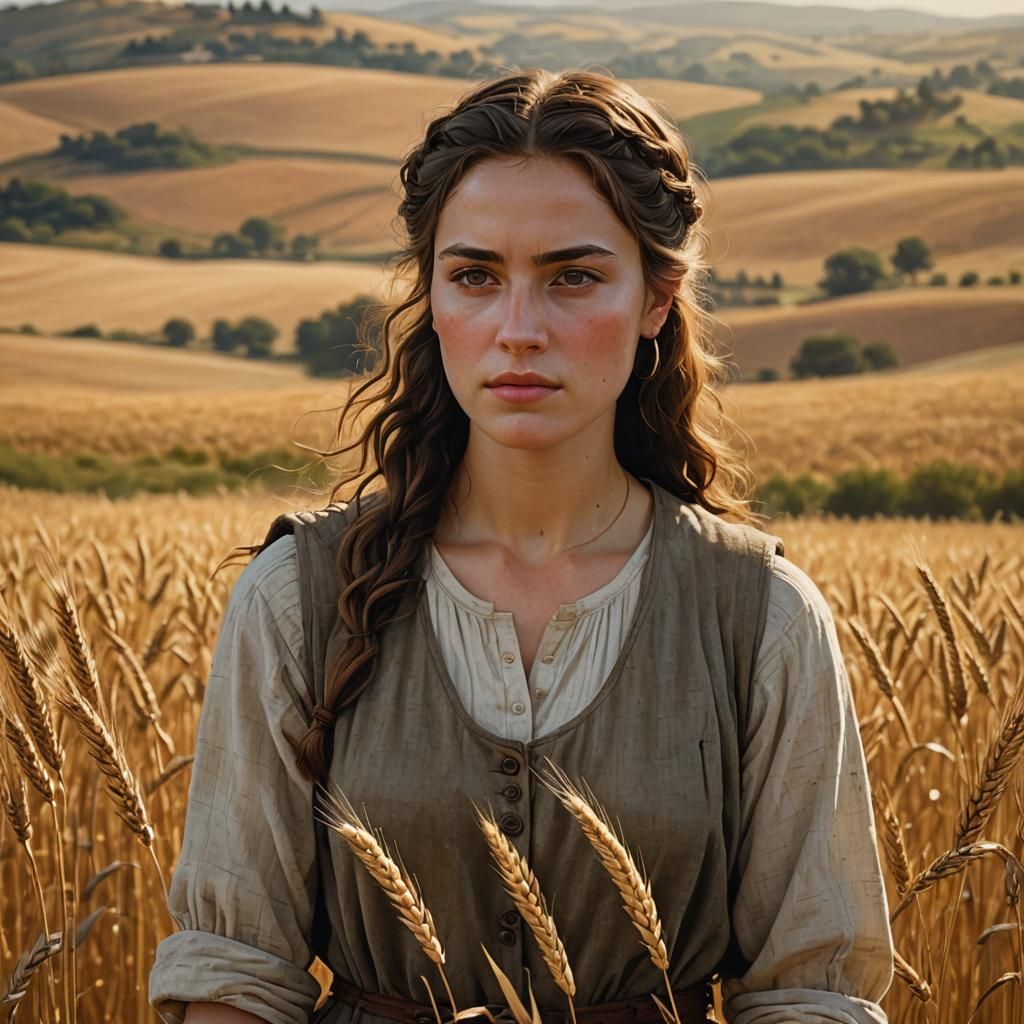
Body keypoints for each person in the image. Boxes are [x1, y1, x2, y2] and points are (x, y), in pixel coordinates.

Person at [149, 67, 894, 1024]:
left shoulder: (763, 617)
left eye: (573, 276)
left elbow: (811, 991)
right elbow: (232, 971)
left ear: (658, 298)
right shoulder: (299, 595)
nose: (518, 330)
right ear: (433, 297)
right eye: (475, 277)